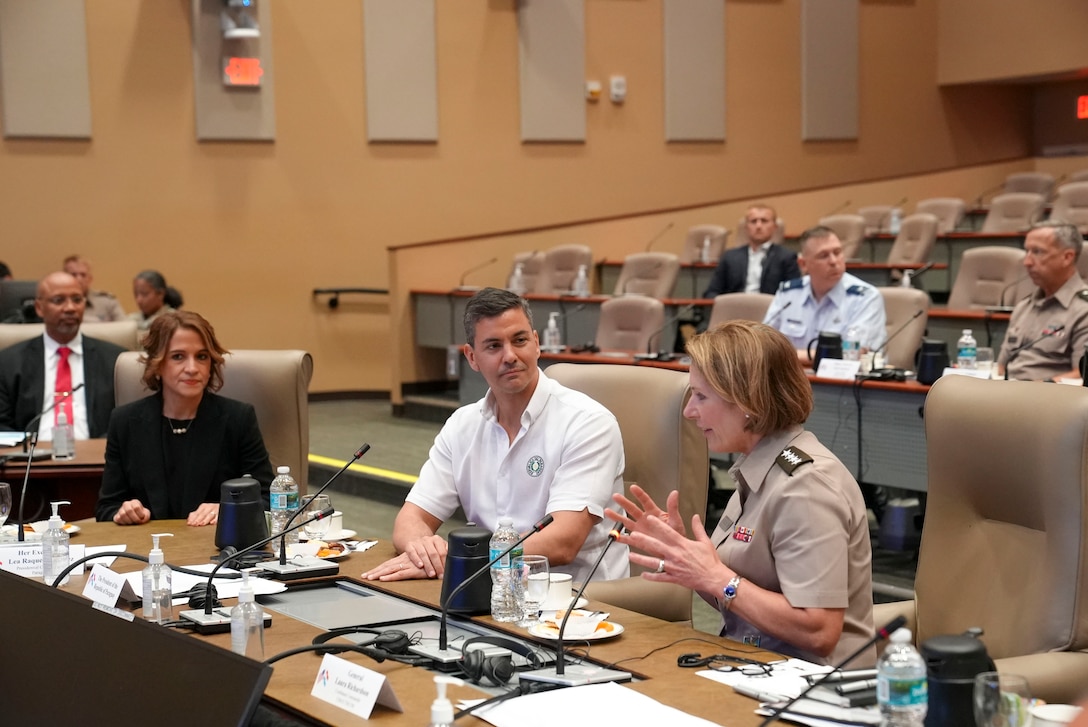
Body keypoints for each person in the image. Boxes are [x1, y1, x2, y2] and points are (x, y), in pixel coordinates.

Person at [607, 320, 875, 666]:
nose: (689, 412)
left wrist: (718, 577)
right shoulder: (760, 466)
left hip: (812, 693)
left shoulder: (805, 487)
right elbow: (731, 594)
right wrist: (685, 557)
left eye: (701, 396)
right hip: (753, 669)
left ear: (749, 400)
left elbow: (819, 631)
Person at [364, 287, 629, 583]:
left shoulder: (587, 422)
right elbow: (411, 519)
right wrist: (421, 547)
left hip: (575, 604)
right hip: (488, 588)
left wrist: (461, 561)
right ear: (472, 357)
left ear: (537, 343)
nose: (510, 356)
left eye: (520, 340)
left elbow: (562, 541)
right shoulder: (462, 425)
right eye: (493, 346)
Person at [95, 310, 273, 526]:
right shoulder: (124, 421)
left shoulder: (238, 418)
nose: (192, 368)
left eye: (202, 357)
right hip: (146, 551)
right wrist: (124, 512)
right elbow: (106, 509)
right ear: (157, 365)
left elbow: (268, 500)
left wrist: (227, 508)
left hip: (214, 550)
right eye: (178, 357)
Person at [0, 272, 125, 440]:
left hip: (97, 459)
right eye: (59, 300)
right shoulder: (9, 362)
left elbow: (127, 422)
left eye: (77, 300)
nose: (70, 308)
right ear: (39, 308)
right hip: (32, 459)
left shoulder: (116, 361)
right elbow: (3, 426)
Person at [762, 225, 886, 363]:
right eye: (823, 256)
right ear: (803, 264)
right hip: (790, 379)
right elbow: (764, 344)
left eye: (837, 252)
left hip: (840, 381)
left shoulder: (865, 297)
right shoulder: (788, 294)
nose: (834, 261)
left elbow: (853, 354)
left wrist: (787, 357)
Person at [997, 221, 1088, 381]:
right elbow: (1001, 366)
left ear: (1067, 257)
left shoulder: (1083, 310)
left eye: (1038, 252)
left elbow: (1081, 375)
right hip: (1007, 394)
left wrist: (1039, 388)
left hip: (1049, 400)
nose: (1027, 262)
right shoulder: (1024, 306)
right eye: (1027, 251)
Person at [702, 204, 800, 298]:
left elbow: (794, 293)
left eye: (764, 221)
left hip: (770, 310)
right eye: (753, 221)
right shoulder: (730, 257)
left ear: (774, 227)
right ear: (746, 227)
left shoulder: (786, 257)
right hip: (735, 311)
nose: (758, 226)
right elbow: (711, 292)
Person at [63, 255, 126, 322]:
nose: (79, 279)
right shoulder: (57, 304)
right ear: (64, 278)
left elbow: (124, 327)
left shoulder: (107, 302)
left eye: (83, 275)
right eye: (73, 274)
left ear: (90, 279)